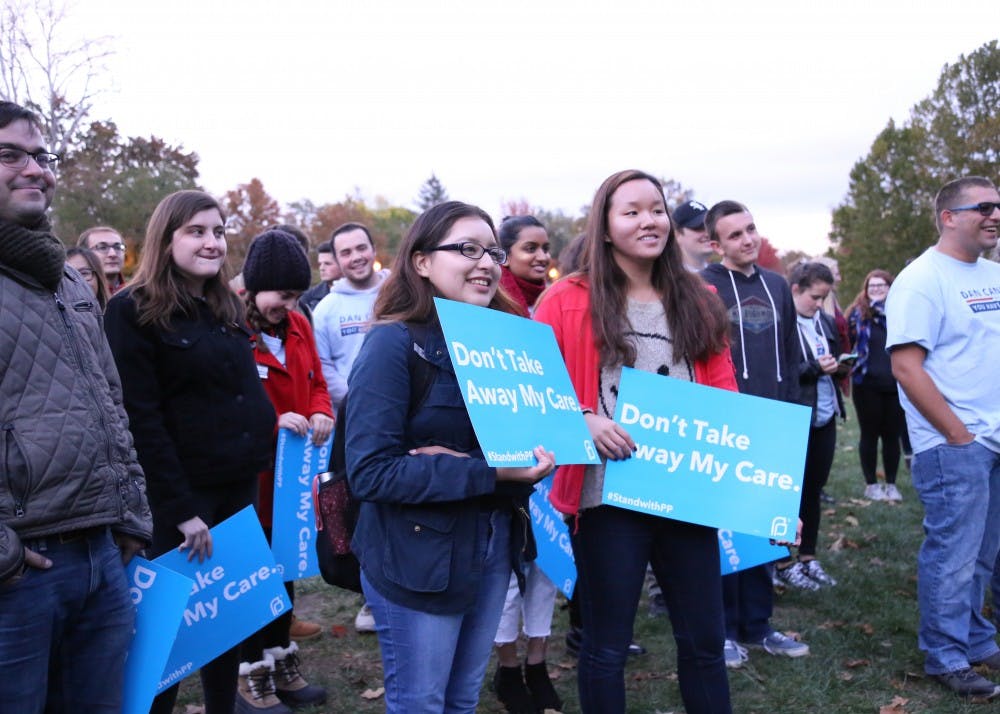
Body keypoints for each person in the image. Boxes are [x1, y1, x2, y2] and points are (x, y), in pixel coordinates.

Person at [535, 169, 736, 713]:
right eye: (631, 211)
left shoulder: (699, 296)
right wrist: (583, 418)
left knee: (703, 643)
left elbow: (723, 396)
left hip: (687, 494)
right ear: (603, 227)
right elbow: (537, 391)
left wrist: (754, 490)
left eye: (656, 209)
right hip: (607, 500)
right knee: (606, 646)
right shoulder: (566, 299)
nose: (648, 220)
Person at [344, 201, 555, 714]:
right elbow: (371, 472)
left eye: (491, 251)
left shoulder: (509, 347)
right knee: (422, 703)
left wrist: (555, 439)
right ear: (420, 262)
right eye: (466, 249)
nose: (485, 262)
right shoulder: (393, 344)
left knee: (461, 700)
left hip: (491, 544)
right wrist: (487, 467)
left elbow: (531, 447)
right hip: (416, 560)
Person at [0, 99, 152, 713]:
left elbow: (109, 404)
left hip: (100, 554)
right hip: (20, 571)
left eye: (41, 156)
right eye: (10, 155)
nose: (34, 169)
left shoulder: (67, 281)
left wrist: (132, 510)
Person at [104, 190, 277, 714]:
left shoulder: (224, 306)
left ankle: (223, 706)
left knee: (226, 622)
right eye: (196, 231)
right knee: (171, 636)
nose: (211, 241)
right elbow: (140, 419)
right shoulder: (131, 310)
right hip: (182, 499)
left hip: (238, 485)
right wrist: (180, 511)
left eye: (218, 231)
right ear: (167, 238)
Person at [886, 176, 1000, 699]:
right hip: (954, 445)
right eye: (985, 207)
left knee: (984, 554)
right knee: (953, 553)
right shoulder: (921, 279)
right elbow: (907, 368)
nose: (996, 215)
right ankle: (945, 655)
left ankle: (975, 639)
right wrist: (958, 435)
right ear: (949, 216)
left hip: (992, 439)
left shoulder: (991, 275)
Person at [701, 200, 809, 667]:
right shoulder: (701, 287)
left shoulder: (779, 286)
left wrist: (791, 416)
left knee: (765, 527)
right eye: (735, 235)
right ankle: (723, 629)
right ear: (715, 244)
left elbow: (789, 353)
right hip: (724, 425)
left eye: (751, 230)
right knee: (724, 532)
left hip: (772, 424)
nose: (747, 240)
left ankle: (758, 624)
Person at [237, 229, 334, 711]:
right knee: (252, 579)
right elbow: (226, 401)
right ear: (254, 287)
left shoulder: (299, 325)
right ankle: (250, 672)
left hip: (292, 482)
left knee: (285, 572)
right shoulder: (232, 328)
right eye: (282, 293)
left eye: (296, 294)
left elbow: (316, 382)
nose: (289, 304)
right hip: (250, 480)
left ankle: (281, 661)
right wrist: (274, 421)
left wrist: (321, 411)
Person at [490, 215, 561, 714]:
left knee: (547, 564)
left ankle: (538, 660)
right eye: (529, 248)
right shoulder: (491, 305)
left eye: (546, 248)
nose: (541, 256)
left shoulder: (555, 304)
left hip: (554, 449)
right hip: (505, 454)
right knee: (506, 571)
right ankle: (508, 665)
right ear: (505, 254)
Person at [313, 221, 389, 633]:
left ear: (373, 248)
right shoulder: (326, 310)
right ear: (336, 260)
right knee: (361, 504)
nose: (356, 257)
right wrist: (358, 399)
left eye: (362, 247)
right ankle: (370, 595)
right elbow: (323, 366)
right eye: (346, 252)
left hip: (406, 415)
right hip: (355, 421)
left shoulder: (398, 291)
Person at [775, 261, 846, 591]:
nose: (819, 304)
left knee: (813, 491)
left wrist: (839, 367)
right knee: (785, 492)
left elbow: (834, 359)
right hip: (793, 416)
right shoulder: (781, 325)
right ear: (795, 291)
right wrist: (814, 368)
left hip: (824, 416)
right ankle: (781, 561)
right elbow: (785, 371)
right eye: (815, 297)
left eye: (824, 298)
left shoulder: (827, 323)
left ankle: (808, 557)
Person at [846, 269, 905, 502]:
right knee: (869, 435)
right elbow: (847, 343)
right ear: (866, 289)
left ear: (891, 288)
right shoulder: (856, 315)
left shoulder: (902, 313)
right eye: (872, 286)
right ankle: (871, 484)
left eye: (882, 286)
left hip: (895, 383)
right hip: (866, 384)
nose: (877, 290)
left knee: (892, 437)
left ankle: (891, 484)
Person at [78, 225, 127, 294]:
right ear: (84, 255)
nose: (113, 254)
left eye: (117, 247)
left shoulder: (139, 295)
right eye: (102, 247)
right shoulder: (71, 296)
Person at [299, 239, 342, 312]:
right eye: (320, 264)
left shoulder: (361, 292)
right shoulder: (308, 298)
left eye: (327, 264)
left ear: (342, 264)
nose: (322, 268)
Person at [671, 199, 713, 272]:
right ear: (677, 235)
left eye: (709, 226)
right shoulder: (667, 279)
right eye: (699, 227)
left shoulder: (721, 275)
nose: (707, 233)